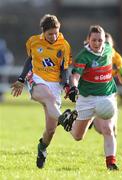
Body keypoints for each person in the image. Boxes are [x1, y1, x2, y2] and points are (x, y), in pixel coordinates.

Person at [11, 14, 77, 169]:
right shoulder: (33, 41)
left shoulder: (64, 45)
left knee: (50, 130)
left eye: (56, 32)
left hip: (55, 84)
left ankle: (42, 148)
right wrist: (21, 79)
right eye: (50, 34)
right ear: (43, 32)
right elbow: (30, 60)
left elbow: (64, 69)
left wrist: (67, 86)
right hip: (37, 79)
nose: (53, 36)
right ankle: (64, 119)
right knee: (48, 98)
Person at [58, 25, 122, 170]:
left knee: (108, 129)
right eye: (94, 40)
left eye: (100, 40)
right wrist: (73, 88)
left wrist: (121, 69)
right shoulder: (83, 56)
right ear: (88, 40)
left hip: (107, 96)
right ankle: (66, 118)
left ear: (104, 40)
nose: (97, 43)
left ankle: (111, 163)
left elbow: (116, 58)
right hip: (87, 99)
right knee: (78, 136)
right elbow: (75, 76)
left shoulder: (107, 48)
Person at [88, 32, 122, 130]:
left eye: (108, 44)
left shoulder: (116, 57)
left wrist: (121, 74)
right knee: (96, 129)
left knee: (111, 128)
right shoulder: (91, 55)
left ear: (112, 45)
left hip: (108, 91)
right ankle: (90, 119)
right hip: (91, 93)